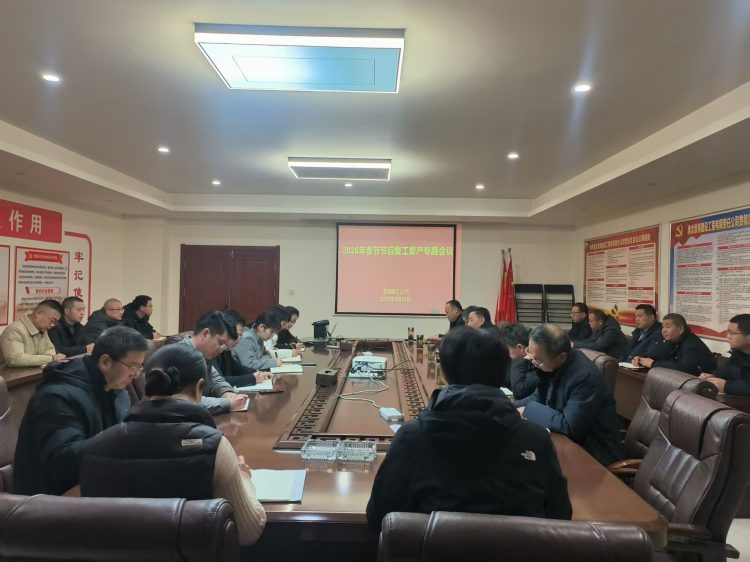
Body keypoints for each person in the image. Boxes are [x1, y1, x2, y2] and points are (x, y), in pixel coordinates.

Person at [366, 327, 571, 531]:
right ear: (503, 371)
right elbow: (560, 517)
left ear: (445, 372)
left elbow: (379, 516)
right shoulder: (536, 439)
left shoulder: (412, 437)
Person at [79, 344, 267, 545]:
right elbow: (248, 532)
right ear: (199, 387)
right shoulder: (214, 446)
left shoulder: (96, 447)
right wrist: (244, 478)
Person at [12, 326, 149, 495]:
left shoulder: (118, 392)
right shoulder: (56, 397)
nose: (135, 375)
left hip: (93, 484)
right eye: (132, 367)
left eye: (139, 368)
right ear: (105, 362)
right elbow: (63, 463)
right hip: (48, 500)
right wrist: (123, 438)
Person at [516, 324, 622, 466]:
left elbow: (569, 427)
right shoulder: (554, 365)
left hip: (594, 454)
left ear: (561, 357)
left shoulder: (584, 376)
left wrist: (528, 409)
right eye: (530, 352)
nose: (533, 362)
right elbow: (538, 397)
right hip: (567, 444)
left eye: (539, 360)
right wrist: (509, 406)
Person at [177, 311, 248, 414]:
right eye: (221, 343)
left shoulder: (203, 354)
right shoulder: (179, 355)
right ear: (206, 334)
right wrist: (227, 403)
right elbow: (187, 400)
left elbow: (216, 380)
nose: (221, 349)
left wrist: (228, 393)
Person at [632, 313, 717, 375]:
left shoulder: (692, 345)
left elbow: (683, 368)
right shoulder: (673, 340)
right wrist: (642, 359)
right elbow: (659, 355)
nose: (664, 330)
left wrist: (653, 364)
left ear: (680, 329)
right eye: (663, 327)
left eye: (668, 327)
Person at [0, 299, 66, 368]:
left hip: (33, 372)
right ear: (39, 313)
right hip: (11, 374)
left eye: (55, 323)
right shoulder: (15, 330)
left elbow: (50, 350)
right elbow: (15, 359)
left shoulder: (42, 329)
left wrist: (48, 358)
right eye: (52, 321)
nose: (52, 325)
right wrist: (51, 358)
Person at [218, 309, 272, 387]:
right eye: (237, 334)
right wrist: (252, 378)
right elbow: (218, 381)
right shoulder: (211, 352)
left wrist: (259, 373)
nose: (239, 339)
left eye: (240, 335)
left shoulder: (226, 350)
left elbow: (237, 369)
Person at [700, 314, 750, 395]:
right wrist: (711, 377)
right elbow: (724, 371)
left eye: (732, 333)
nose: (727, 336)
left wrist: (726, 387)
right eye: (728, 332)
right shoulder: (738, 353)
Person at [499, 323, 539, 400]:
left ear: (520, 347)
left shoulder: (537, 363)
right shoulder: (514, 358)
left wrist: (520, 360)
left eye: (507, 348)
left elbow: (519, 392)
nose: (505, 351)